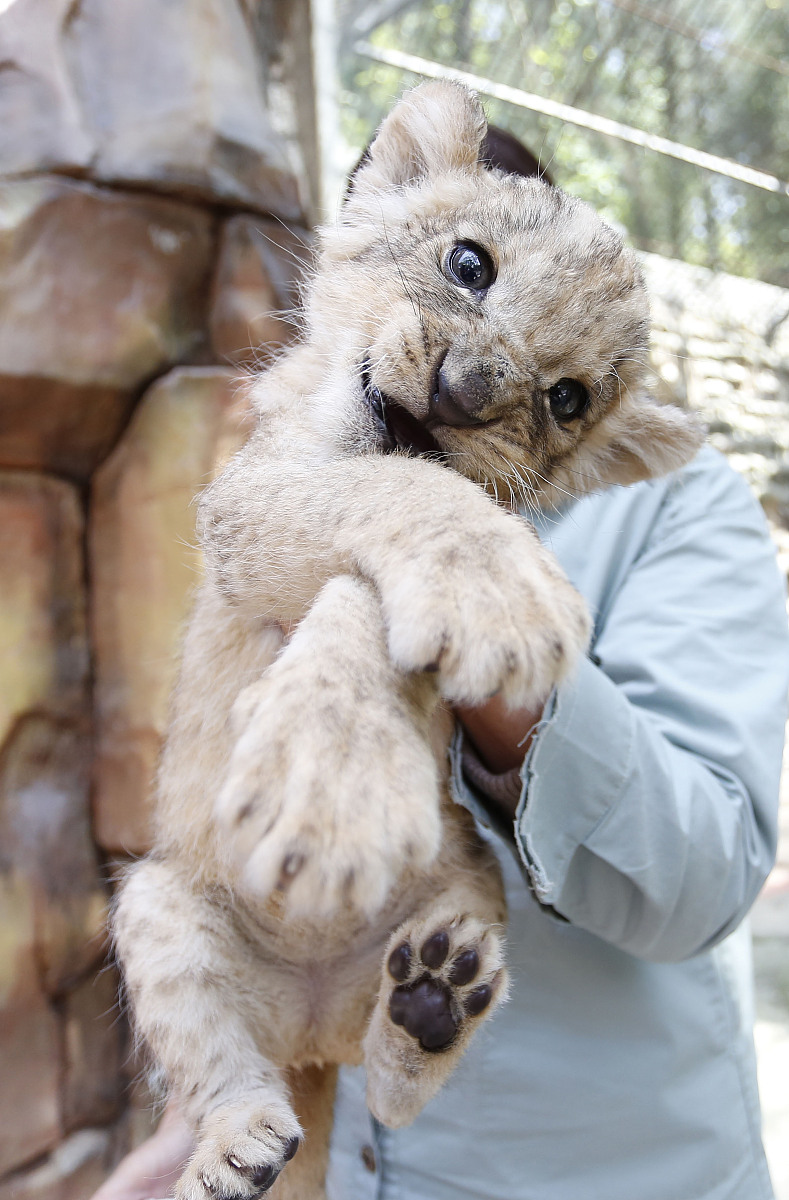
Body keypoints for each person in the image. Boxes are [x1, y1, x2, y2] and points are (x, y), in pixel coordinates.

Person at [92, 131, 789, 1200]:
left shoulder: (682, 508)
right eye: (470, 270)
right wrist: (213, 1105)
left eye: (559, 388)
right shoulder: (315, 426)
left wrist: (472, 622)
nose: (471, 375)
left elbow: (707, 876)